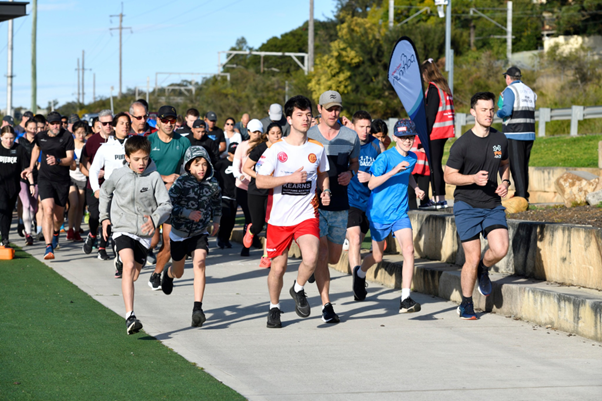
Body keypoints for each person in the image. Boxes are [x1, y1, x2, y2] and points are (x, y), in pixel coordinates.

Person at [256, 95, 331, 329]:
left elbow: (322, 174)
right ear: (289, 119)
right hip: (280, 219)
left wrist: (325, 190)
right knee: (277, 268)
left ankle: (298, 288)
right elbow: (260, 181)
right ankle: (274, 307)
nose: (306, 119)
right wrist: (289, 178)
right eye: (300, 114)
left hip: (306, 214)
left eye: (308, 114)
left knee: (311, 257)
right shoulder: (276, 149)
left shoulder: (317, 148)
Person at [444, 92, 510, 320]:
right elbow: (449, 176)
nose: (489, 114)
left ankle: (484, 268)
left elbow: (504, 164)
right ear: (473, 112)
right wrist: (472, 178)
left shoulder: (500, 139)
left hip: (492, 203)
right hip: (467, 205)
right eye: (484, 110)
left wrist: (505, 181)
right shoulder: (462, 145)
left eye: (491, 110)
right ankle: (466, 304)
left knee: (500, 249)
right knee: (470, 257)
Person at [99, 135, 172, 334]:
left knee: (134, 275)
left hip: (144, 232)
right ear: (127, 157)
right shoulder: (118, 174)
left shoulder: (154, 177)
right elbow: (105, 192)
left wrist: (155, 218)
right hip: (122, 227)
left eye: (145, 158)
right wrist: (104, 217)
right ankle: (130, 316)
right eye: (137, 159)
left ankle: (122, 262)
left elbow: (166, 204)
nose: (142, 163)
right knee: (129, 266)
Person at [353, 119, 425, 313]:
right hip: (379, 213)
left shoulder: (412, 158)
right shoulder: (384, 158)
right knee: (377, 256)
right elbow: (371, 184)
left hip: (400, 212)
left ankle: (405, 298)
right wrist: (393, 171)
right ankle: (359, 273)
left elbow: (407, 173)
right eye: (403, 138)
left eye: (410, 137)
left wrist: (416, 188)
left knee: (409, 251)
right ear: (395, 138)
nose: (407, 141)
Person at [307, 90, 360, 323]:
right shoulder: (308, 135)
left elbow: (355, 162)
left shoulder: (350, 135)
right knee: (322, 254)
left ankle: (311, 267)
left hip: (340, 204)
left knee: (334, 258)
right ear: (319, 109)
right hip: (313, 205)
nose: (333, 112)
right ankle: (326, 305)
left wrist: (351, 173)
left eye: (337, 108)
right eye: (329, 108)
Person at [162, 146, 221, 327]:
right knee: (179, 272)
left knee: (200, 263)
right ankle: (169, 273)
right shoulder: (180, 183)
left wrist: (216, 220)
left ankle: (197, 308)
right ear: (188, 166)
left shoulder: (212, 184)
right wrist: (187, 213)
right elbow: (168, 206)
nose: (201, 168)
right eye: (197, 164)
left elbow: (217, 203)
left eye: (204, 164)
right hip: (179, 234)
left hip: (199, 232)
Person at [147, 105, 191, 291]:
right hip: (148, 196)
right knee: (152, 241)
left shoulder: (183, 142)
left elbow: (190, 170)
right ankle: (124, 258)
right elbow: (139, 169)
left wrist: (180, 181)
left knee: (169, 241)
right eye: (164, 120)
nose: (168, 123)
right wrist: (163, 178)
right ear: (157, 121)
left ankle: (156, 274)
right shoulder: (148, 141)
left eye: (171, 120)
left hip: (170, 198)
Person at [21, 111, 75, 260]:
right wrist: (31, 167)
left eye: (58, 122)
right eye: (52, 123)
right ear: (47, 125)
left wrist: (58, 161)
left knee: (58, 217)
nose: (56, 125)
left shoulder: (67, 136)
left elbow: (70, 159)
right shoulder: (41, 136)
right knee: (47, 209)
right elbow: (36, 149)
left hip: (62, 180)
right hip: (45, 179)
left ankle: (56, 232)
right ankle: (48, 246)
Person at [89, 113, 132, 276]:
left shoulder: (134, 144)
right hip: (113, 194)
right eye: (121, 123)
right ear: (114, 126)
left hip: (131, 193)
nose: (125, 126)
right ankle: (119, 260)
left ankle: (126, 257)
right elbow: (93, 169)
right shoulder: (105, 148)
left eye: (127, 123)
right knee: (117, 228)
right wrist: (96, 189)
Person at [345, 111, 385, 283]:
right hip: (351, 200)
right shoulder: (347, 145)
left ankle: (360, 271)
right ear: (353, 127)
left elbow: (386, 173)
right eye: (361, 126)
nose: (365, 130)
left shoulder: (377, 146)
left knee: (369, 248)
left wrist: (371, 179)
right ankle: (357, 281)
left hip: (372, 202)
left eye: (368, 126)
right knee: (354, 239)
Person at [242, 122, 284, 268]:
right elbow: (246, 168)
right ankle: (252, 229)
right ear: (267, 135)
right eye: (273, 133)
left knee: (271, 225)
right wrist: (259, 177)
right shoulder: (261, 148)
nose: (276, 136)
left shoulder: (284, 149)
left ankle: (266, 256)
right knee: (259, 225)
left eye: (279, 133)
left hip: (274, 191)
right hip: (256, 190)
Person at [419, 59, 456, 209]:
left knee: (433, 166)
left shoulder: (433, 88)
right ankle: (439, 197)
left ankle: (437, 198)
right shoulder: (444, 87)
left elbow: (430, 114)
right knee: (436, 164)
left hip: (435, 132)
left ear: (426, 73)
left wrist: (423, 136)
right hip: (444, 131)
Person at [497, 66, 536, 201]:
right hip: (529, 132)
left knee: (516, 166)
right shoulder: (529, 90)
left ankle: (521, 196)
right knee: (524, 165)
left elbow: (506, 111)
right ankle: (524, 193)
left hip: (515, 133)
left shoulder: (509, 90)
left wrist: (498, 112)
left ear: (508, 78)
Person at [80, 109, 114, 261]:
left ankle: (102, 248)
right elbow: (84, 160)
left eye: (110, 123)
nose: (108, 126)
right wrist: (93, 172)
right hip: (93, 186)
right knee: (95, 216)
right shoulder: (92, 141)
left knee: (108, 217)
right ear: (99, 124)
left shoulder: (117, 140)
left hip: (111, 187)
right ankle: (92, 234)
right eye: (104, 123)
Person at [232, 119, 262, 257]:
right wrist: (241, 177)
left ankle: (254, 238)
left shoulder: (265, 146)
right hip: (243, 187)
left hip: (260, 187)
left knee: (258, 218)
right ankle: (246, 246)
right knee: (249, 217)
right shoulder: (242, 146)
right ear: (248, 132)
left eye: (259, 132)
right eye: (254, 131)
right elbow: (235, 168)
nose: (256, 134)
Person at [0, 127, 31, 247]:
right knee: (2, 207)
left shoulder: (20, 150)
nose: (9, 141)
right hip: (0, 185)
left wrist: (32, 184)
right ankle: (4, 238)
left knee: (7, 211)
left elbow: (27, 168)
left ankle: (5, 237)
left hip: (13, 186)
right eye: (6, 138)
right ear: (1, 137)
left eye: (11, 138)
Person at [16, 120, 39, 246]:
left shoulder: (40, 141)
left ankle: (28, 227)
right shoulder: (19, 141)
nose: (33, 131)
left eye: (35, 128)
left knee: (33, 207)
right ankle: (28, 234)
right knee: (26, 205)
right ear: (25, 128)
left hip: (36, 177)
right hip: (22, 177)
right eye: (30, 128)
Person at [214, 143, 239, 249]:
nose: (235, 155)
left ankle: (227, 239)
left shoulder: (240, 164)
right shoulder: (222, 163)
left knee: (232, 220)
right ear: (229, 153)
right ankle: (220, 238)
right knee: (226, 217)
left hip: (236, 195)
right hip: (224, 195)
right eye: (233, 153)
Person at [67, 121, 87, 242]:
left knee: (80, 206)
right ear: (73, 133)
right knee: (73, 203)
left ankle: (77, 230)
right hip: (71, 177)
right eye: (78, 133)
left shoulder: (87, 144)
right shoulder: (71, 144)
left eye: (83, 132)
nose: (81, 135)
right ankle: (70, 229)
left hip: (83, 177)